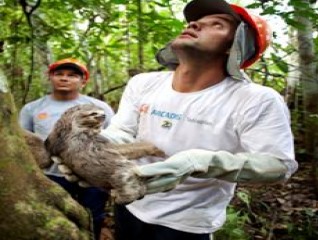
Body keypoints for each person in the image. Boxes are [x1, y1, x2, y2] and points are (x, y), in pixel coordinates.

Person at [58, 0, 298, 239]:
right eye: (195, 21)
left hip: (187, 222)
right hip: (130, 203)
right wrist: (91, 150)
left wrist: (200, 162)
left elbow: (278, 165)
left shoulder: (255, 99)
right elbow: (123, 131)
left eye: (216, 24)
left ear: (235, 46)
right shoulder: (144, 83)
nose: (194, 24)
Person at [19, 58, 115, 240]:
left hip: (91, 174)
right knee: (56, 217)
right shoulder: (32, 108)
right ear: (50, 77)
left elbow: (114, 137)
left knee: (93, 216)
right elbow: (23, 141)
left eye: (72, 75)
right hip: (51, 175)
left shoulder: (99, 108)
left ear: (83, 81)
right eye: (59, 74)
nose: (65, 78)